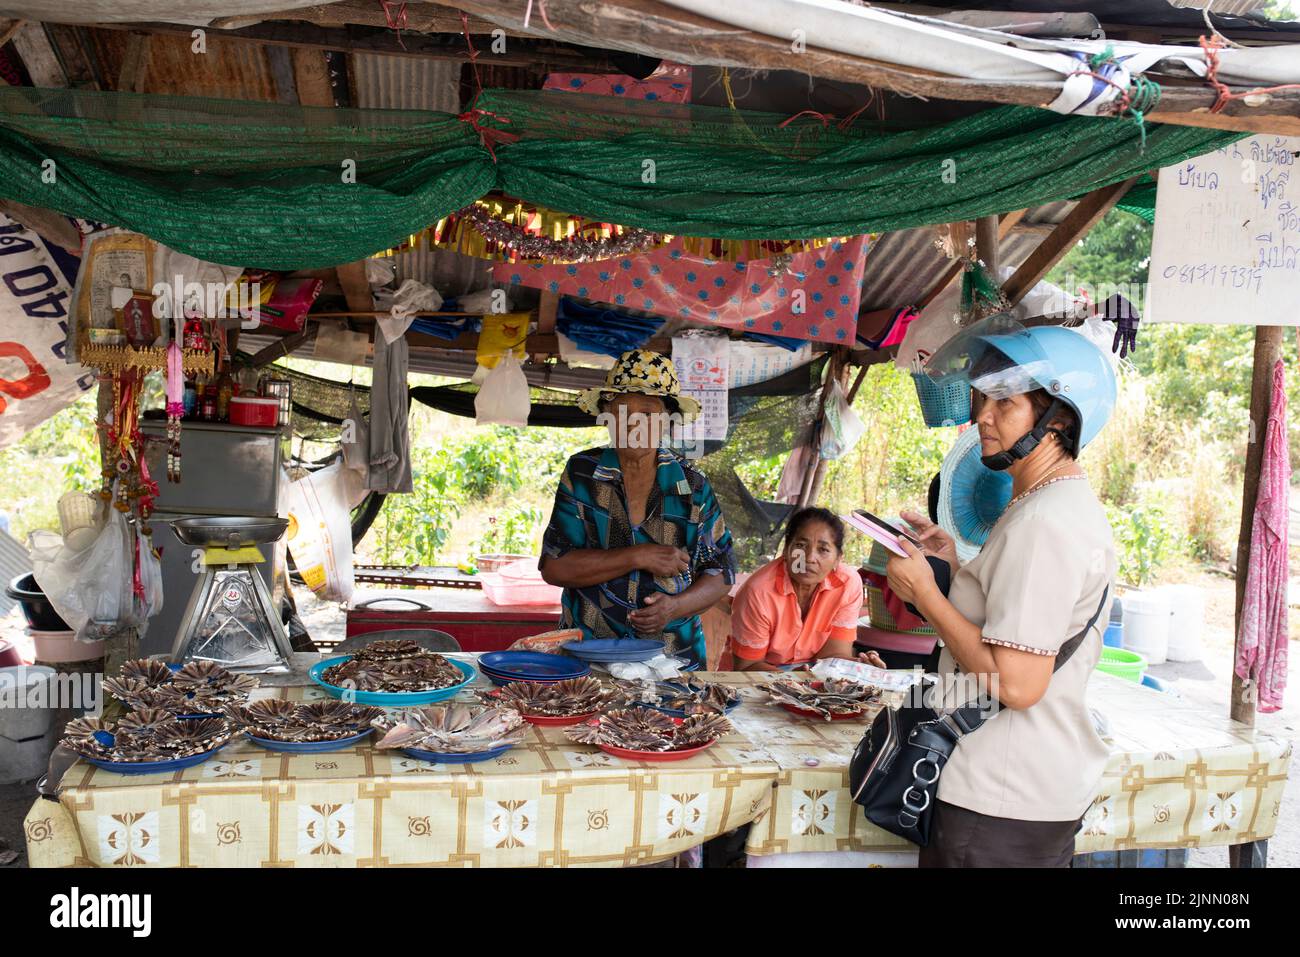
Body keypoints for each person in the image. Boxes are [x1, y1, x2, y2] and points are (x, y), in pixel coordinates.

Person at [885, 316, 1117, 868]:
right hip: (1015, 792)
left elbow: (1016, 683)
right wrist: (954, 565)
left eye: (1004, 404)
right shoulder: (1044, 505)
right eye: (981, 399)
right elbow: (1014, 610)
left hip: (1002, 799)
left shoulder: (1045, 523)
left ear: (1059, 420)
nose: (981, 417)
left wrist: (927, 596)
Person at [539, 350, 735, 666]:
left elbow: (722, 572)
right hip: (588, 656)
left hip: (672, 661)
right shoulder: (581, 473)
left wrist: (675, 606)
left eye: (647, 413)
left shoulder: (693, 485)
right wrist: (637, 555)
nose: (634, 424)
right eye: (622, 413)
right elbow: (554, 567)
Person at [730, 507, 886, 671]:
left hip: (810, 675)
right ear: (786, 550)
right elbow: (746, 666)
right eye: (801, 545)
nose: (810, 558)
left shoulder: (847, 584)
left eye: (823, 549)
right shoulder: (758, 592)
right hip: (760, 677)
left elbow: (832, 656)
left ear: (838, 559)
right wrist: (790, 679)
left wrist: (858, 667)